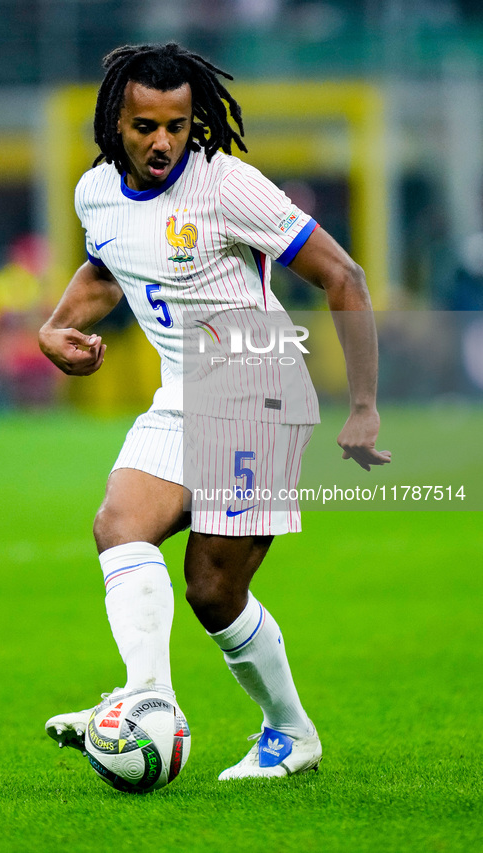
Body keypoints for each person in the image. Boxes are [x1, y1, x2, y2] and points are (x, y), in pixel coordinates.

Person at [39, 42, 391, 781]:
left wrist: (362, 405)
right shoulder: (94, 192)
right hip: (182, 392)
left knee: (212, 588)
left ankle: (289, 734)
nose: (162, 141)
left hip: (259, 392)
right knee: (118, 523)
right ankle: (146, 699)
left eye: (176, 124)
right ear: (115, 123)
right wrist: (55, 326)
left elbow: (343, 274)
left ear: (193, 119)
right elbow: (107, 264)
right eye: (143, 126)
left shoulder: (228, 186)